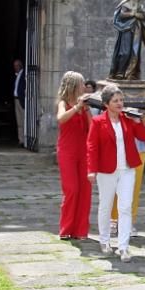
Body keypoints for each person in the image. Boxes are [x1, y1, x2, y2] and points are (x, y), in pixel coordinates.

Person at [87, 84, 145, 262]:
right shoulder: (98, 122)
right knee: (105, 206)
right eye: (116, 101)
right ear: (106, 104)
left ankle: (123, 247)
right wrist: (91, 170)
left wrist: (138, 121)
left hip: (127, 169)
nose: (120, 103)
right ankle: (104, 240)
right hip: (106, 170)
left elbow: (143, 137)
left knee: (125, 207)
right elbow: (91, 147)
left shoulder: (128, 119)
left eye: (121, 100)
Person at [56, 71, 92, 241]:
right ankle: (66, 229)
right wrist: (77, 108)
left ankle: (80, 230)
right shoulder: (64, 103)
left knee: (85, 190)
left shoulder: (85, 105)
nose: (84, 87)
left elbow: (93, 128)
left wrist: (87, 109)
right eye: (81, 84)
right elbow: (61, 119)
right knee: (72, 189)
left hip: (84, 151)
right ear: (73, 86)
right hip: (67, 151)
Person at [109, 0, 145, 80]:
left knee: (135, 52)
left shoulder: (139, 6)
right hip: (126, 29)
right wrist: (132, 14)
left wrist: (137, 15)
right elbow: (122, 15)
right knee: (125, 52)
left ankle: (131, 73)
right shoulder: (126, 5)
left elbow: (144, 16)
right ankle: (120, 71)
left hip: (137, 30)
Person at [13, 59, 27, 145]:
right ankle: (21, 140)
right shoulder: (17, 75)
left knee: (23, 120)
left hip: (21, 99)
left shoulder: (24, 74)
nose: (15, 67)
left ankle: (25, 141)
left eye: (17, 65)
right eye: (14, 66)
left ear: (21, 65)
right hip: (16, 99)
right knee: (19, 121)